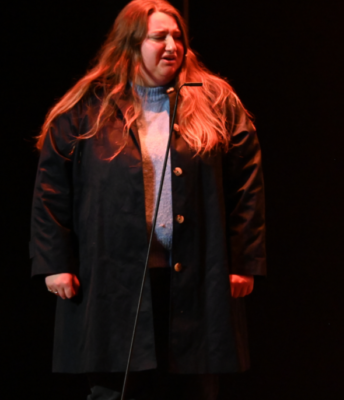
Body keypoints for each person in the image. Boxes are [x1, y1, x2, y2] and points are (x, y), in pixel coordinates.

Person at [29, 1, 265, 398]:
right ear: (131, 43)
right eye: (159, 37)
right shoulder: (88, 105)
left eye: (177, 37)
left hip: (193, 276)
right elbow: (52, 188)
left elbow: (247, 186)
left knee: (192, 388)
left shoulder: (215, 101)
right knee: (116, 387)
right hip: (112, 278)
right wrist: (55, 264)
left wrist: (244, 262)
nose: (172, 46)